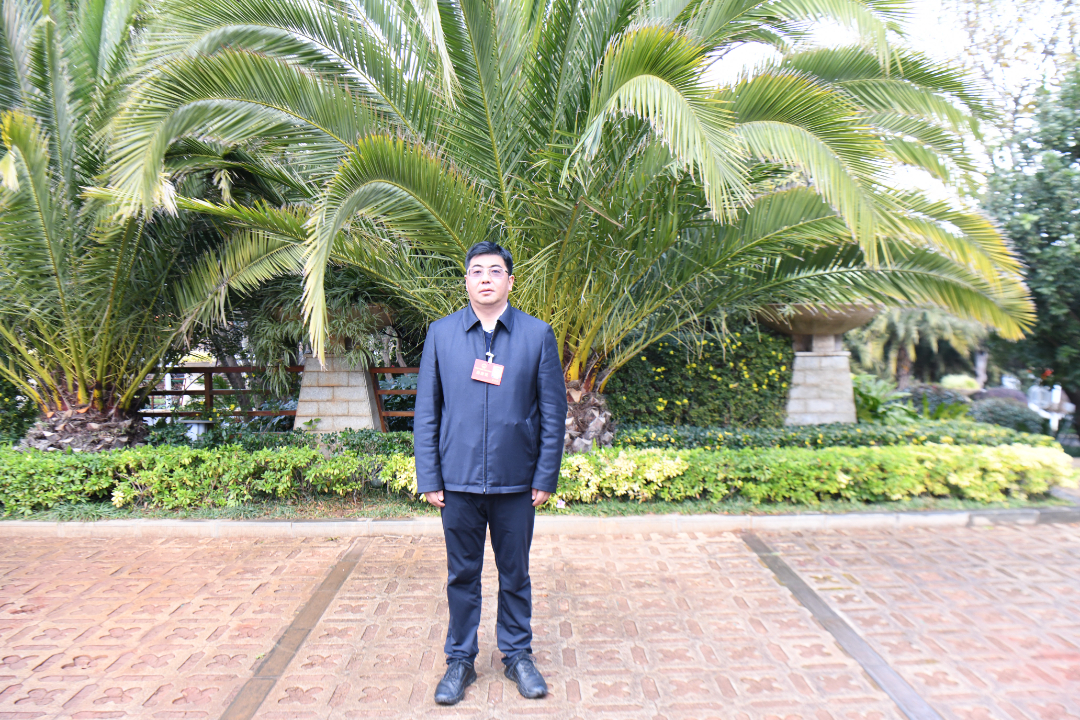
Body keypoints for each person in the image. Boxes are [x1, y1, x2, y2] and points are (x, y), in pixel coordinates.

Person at [413, 241, 567, 705]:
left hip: (516, 482)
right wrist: (430, 476)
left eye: (495, 271)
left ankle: (517, 654)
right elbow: (427, 412)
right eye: (476, 271)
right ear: (466, 281)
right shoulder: (441, 334)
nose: (485, 278)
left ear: (510, 282)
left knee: (515, 573)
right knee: (462, 575)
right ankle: (460, 660)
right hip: (457, 482)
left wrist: (544, 476)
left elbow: (553, 413)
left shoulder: (537, 335)